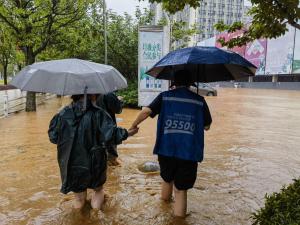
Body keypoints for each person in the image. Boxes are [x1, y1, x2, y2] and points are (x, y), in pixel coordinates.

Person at [130, 70, 212, 217]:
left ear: (173, 82)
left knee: (167, 179)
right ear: (190, 84)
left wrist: (133, 125)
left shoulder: (165, 97)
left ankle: (163, 211)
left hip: (166, 149)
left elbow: (146, 111)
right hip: (188, 152)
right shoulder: (199, 101)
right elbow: (207, 126)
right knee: (180, 190)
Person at [48, 94, 138, 210]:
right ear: (93, 95)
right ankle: (96, 215)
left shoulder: (62, 114)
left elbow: (53, 137)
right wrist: (129, 133)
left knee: (79, 199)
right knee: (98, 190)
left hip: (71, 162)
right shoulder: (99, 114)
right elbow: (111, 136)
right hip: (94, 161)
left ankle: (80, 219)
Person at [96, 92, 123, 166]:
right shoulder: (108, 93)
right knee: (111, 158)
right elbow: (118, 110)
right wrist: (119, 101)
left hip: (94, 127)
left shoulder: (89, 93)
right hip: (108, 127)